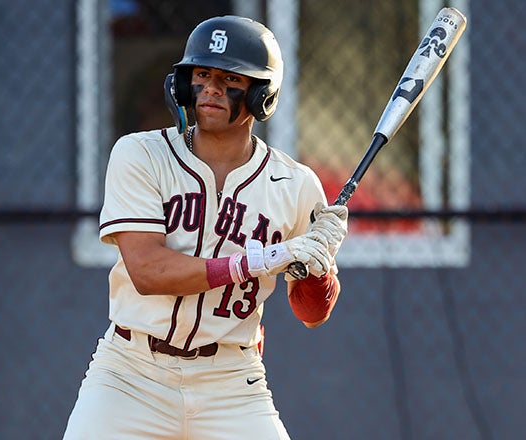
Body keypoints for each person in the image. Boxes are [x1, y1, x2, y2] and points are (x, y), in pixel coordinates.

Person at [63, 15, 348, 440]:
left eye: (230, 77)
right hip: (131, 373)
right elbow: (147, 271)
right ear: (182, 83)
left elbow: (311, 315)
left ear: (261, 94)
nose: (212, 87)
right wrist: (261, 260)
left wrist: (318, 268)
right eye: (202, 74)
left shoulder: (296, 185)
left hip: (232, 382)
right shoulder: (141, 155)